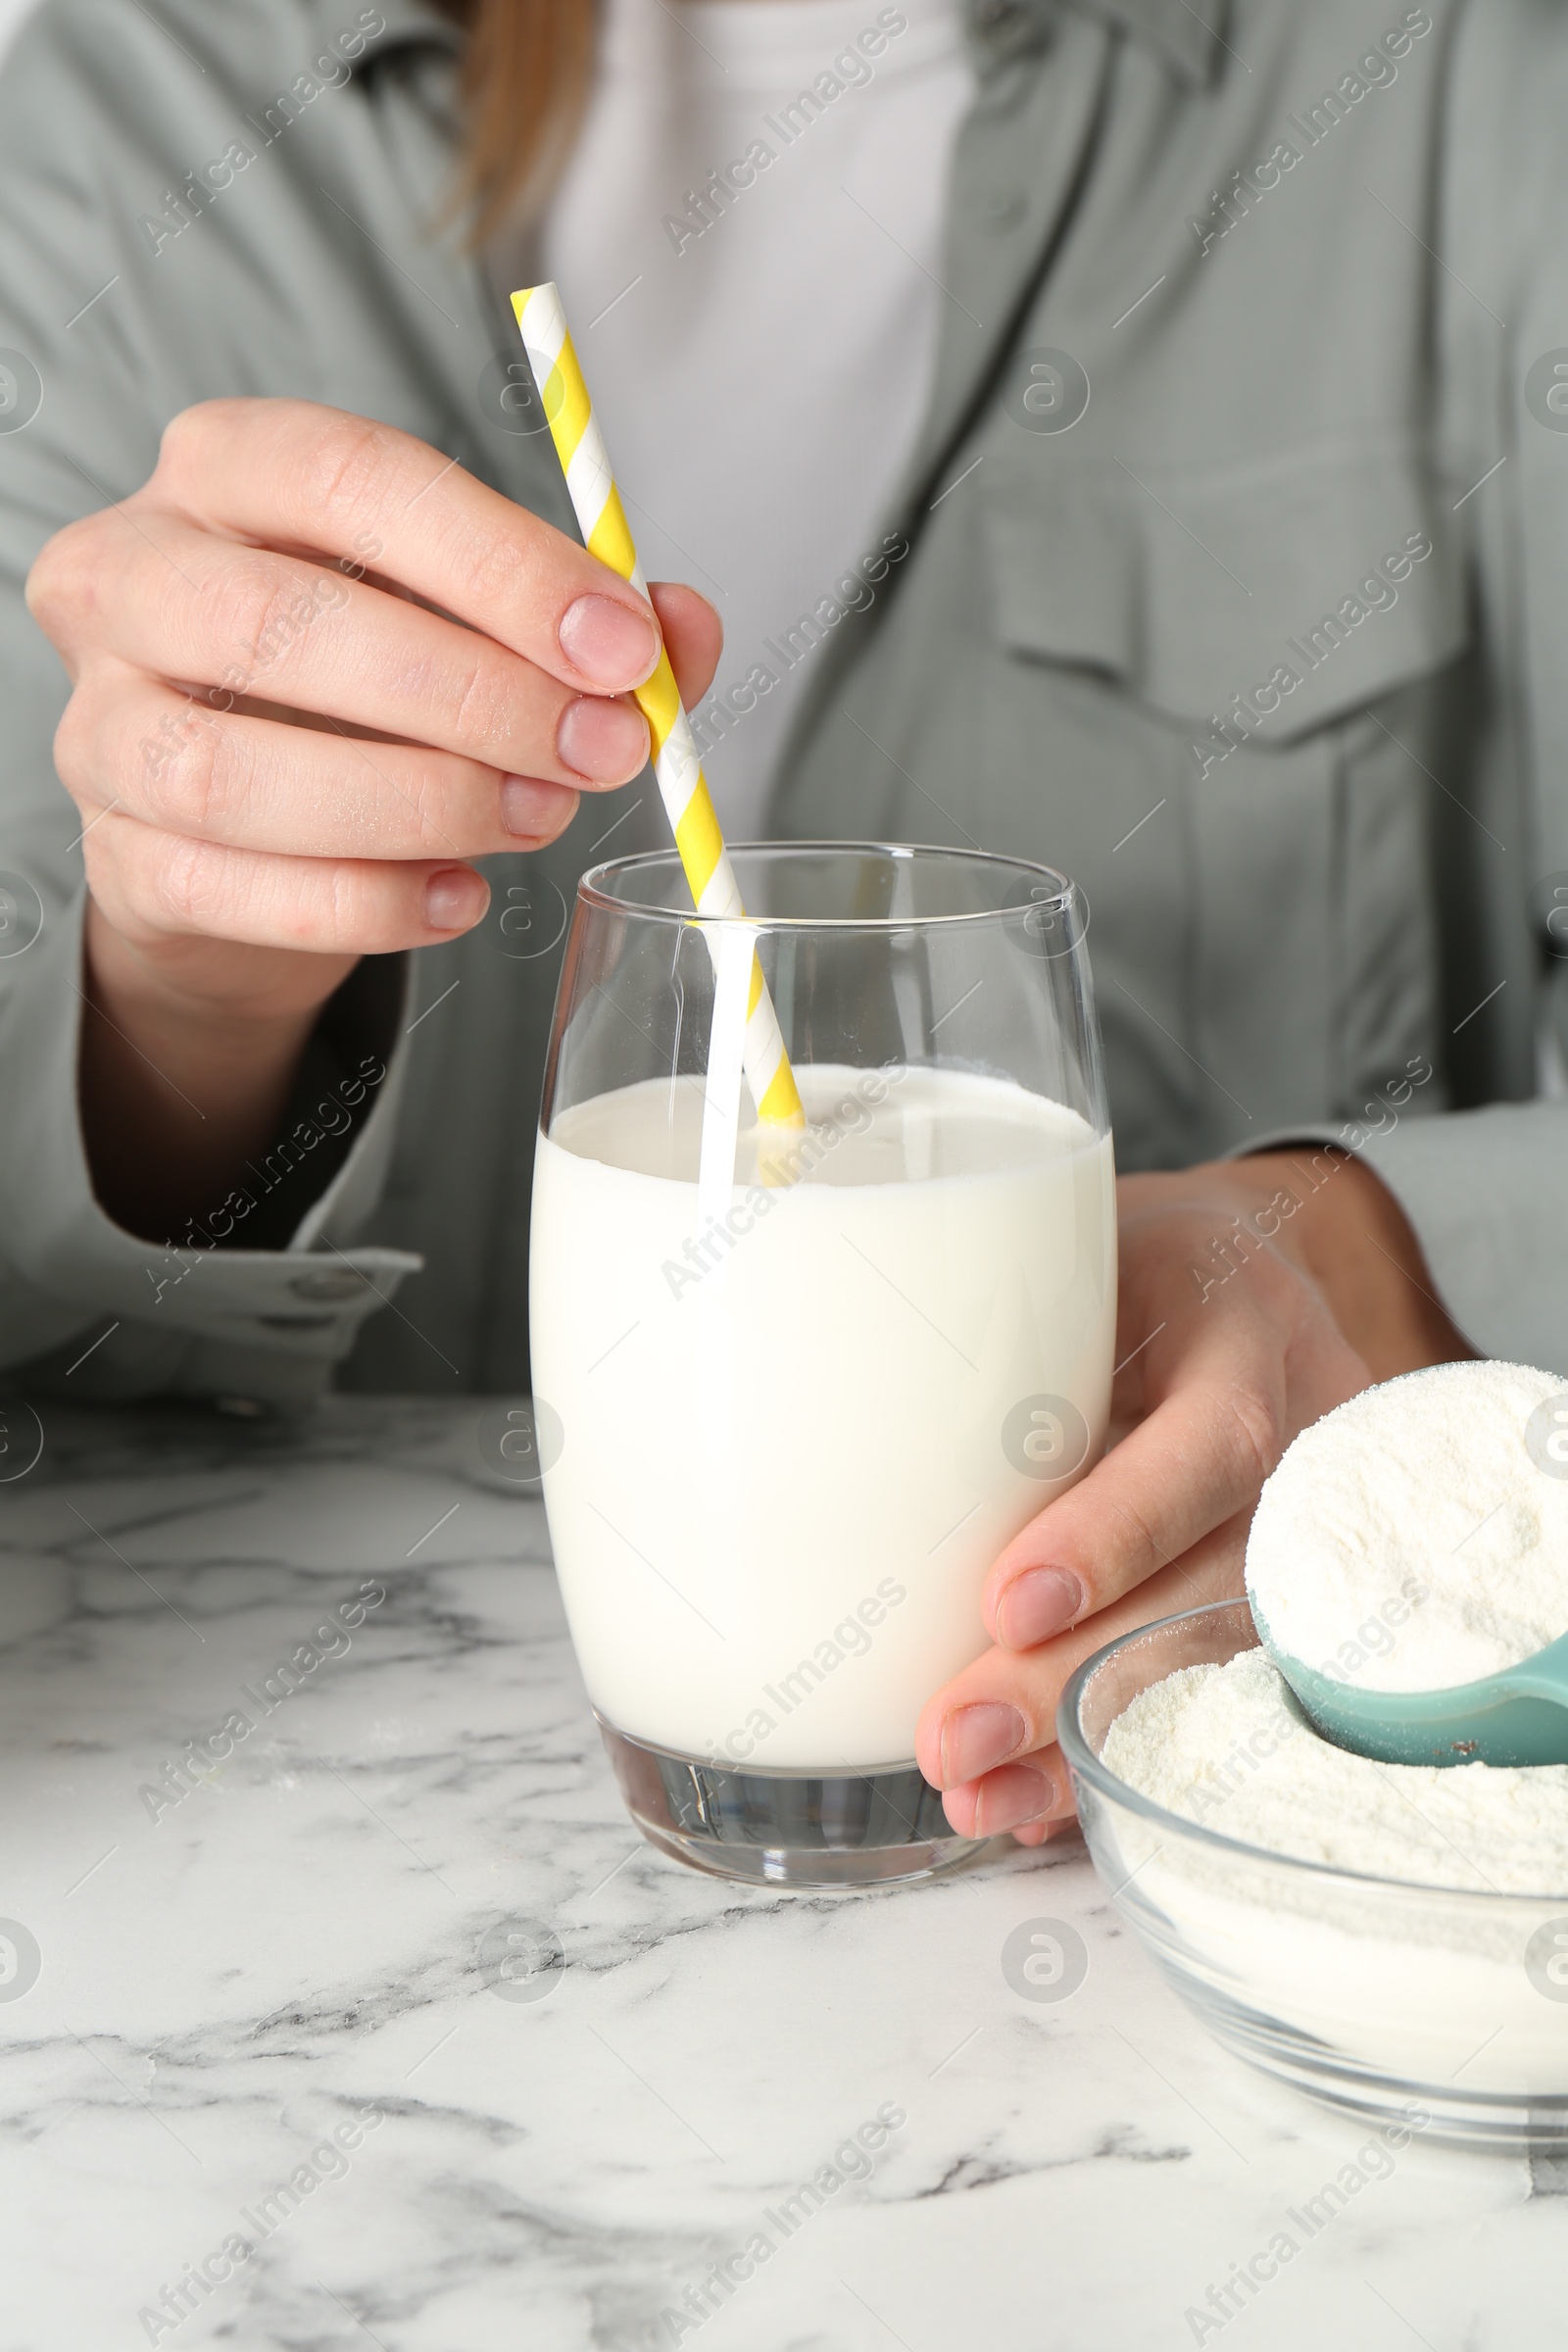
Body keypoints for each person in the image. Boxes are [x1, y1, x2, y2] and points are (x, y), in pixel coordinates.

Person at [0, 0, 1564, 1845]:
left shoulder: (1457, 80)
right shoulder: (142, 110)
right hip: (336, 1843)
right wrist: (183, 991)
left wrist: (1362, 1265)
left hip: (1215, 1857)